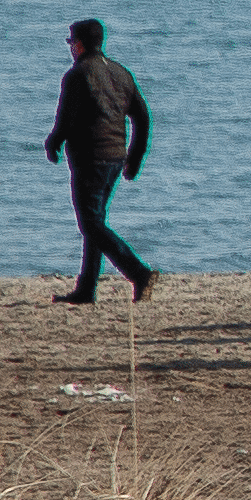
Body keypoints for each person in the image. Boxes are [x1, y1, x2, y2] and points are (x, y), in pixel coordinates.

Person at [45, 19, 157, 305]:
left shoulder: (77, 74)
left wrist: (53, 142)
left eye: (71, 42)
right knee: (95, 221)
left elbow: (65, 120)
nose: (70, 47)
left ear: (80, 44)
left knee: (91, 223)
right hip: (115, 158)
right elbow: (143, 119)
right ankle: (86, 289)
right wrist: (134, 157)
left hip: (90, 158)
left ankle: (138, 271)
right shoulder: (121, 73)